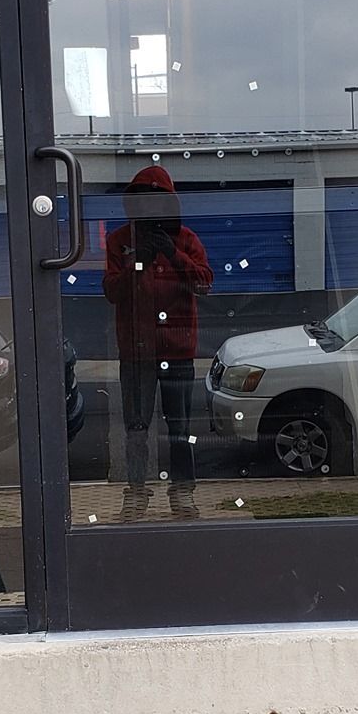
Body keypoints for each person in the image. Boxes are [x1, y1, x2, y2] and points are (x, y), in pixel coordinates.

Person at [102, 164, 212, 514]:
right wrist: (138, 263)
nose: (150, 208)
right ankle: (136, 493)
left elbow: (205, 283)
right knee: (136, 426)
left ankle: (182, 492)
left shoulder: (186, 239)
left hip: (177, 349)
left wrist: (172, 253)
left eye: (157, 200)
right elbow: (112, 292)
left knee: (179, 427)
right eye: (142, 201)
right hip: (136, 350)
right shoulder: (120, 241)